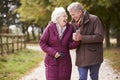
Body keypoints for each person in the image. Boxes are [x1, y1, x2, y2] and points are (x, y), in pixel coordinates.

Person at [67, 2, 104, 80]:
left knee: (94, 78)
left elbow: (100, 37)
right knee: (82, 78)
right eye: (71, 14)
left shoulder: (94, 19)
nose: (72, 16)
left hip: (94, 56)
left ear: (80, 11)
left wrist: (82, 38)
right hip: (81, 57)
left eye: (73, 14)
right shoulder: (72, 23)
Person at [40, 7, 79, 80]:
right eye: (64, 16)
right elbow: (42, 43)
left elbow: (69, 45)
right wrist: (53, 52)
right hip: (52, 61)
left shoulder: (70, 28)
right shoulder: (50, 27)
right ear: (57, 18)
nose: (66, 17)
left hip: (65, 62)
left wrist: (76, 41)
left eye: (66, 16)